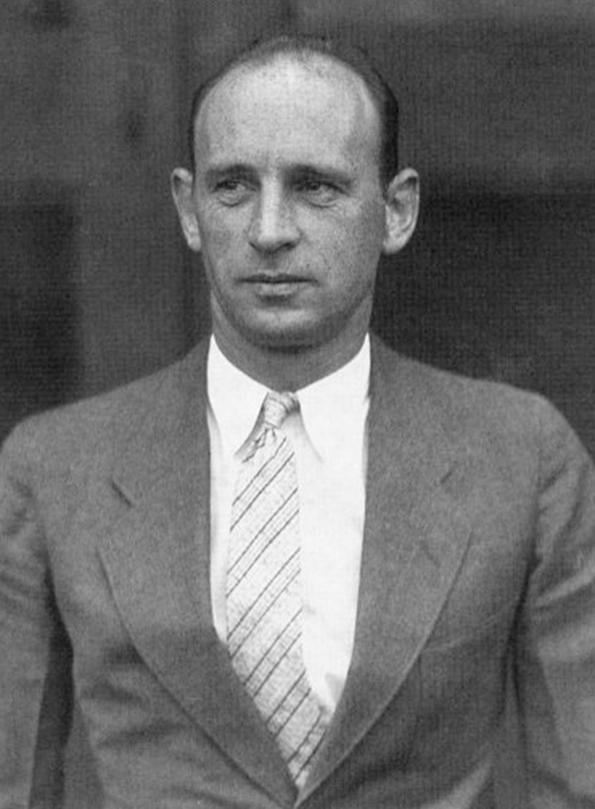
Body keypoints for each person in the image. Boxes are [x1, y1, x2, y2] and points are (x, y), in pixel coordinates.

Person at [1, 32, 595, 809]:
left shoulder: (517, 456)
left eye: (314, 187)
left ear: (395, 210)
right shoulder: (56, 468)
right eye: (232, 187)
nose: (269, 229)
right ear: (187, 208)